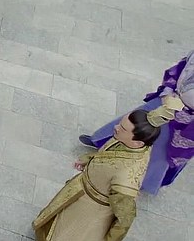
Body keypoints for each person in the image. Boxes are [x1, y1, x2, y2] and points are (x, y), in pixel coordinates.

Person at [33, 109, 163, 241]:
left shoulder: (125, 180)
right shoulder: (136, 144)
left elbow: (125, 218)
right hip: (83, 192)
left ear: (138, 143)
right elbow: (109, 155)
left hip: (89, 210)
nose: (116, 127)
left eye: (123, 129)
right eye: (120, 123)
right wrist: (89, 159)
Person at [79, 49, 194, 194]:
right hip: (169, 99)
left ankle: (140, 183)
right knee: (132, 122)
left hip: (187, 125)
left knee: (161, 151)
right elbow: (180, 68)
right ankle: (102, 143)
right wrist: (167, 92)